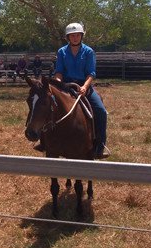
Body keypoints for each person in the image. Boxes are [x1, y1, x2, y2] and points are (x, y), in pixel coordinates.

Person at [44, 22, 110, 159]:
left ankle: (100, 145)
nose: (75, 38)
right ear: (68, 37)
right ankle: (44, 140)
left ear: (81, 36)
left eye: (77, 35)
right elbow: (59, 71)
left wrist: (85, 87)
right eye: (72, 36)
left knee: (101, 111)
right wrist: (58, 84)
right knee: (47, 105)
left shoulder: (88, 52)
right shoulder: (62, 52)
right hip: (66, 86)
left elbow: (91, 73)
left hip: (84, 87)